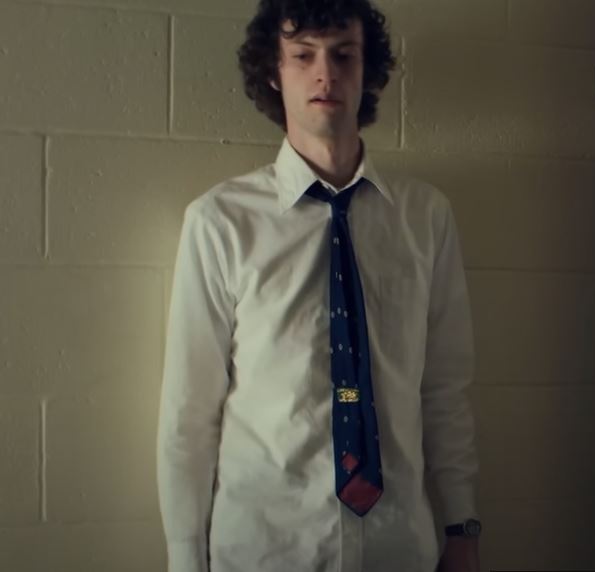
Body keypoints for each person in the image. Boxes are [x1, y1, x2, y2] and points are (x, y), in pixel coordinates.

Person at [156, 1, 480, 571]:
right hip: (265, 551)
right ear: (274, 73)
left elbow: (445, 390)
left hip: (397, 547)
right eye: (303, 56)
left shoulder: (426, 218)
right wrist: (185, 559)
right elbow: (189, 410)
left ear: (367, 71)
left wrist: (462, 525)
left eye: (343, 55)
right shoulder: (220, 222)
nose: (325, 74)